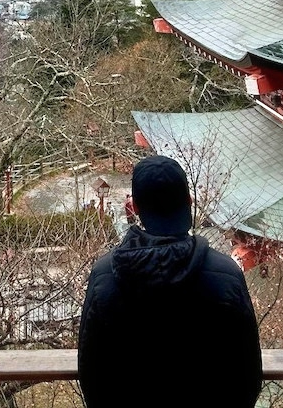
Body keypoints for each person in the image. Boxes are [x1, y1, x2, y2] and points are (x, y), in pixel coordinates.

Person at [77, 155, 262, 408]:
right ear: (188, 201)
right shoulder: (226, 275)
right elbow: (247, 372)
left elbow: (91, 371)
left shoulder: (105, 275)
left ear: (135, 208)